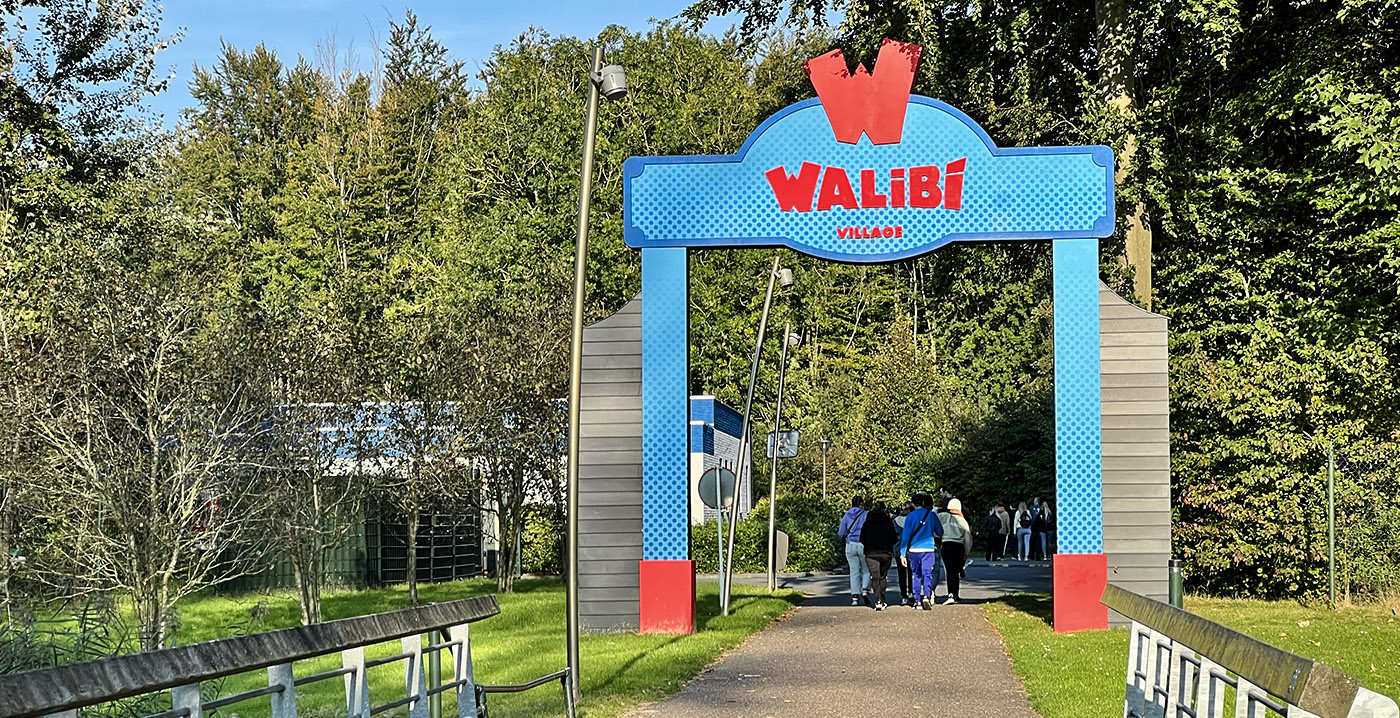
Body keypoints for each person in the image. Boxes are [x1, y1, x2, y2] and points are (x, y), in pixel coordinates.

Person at [898, 492, 944, 610]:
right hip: (928, 549)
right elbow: (940, 531)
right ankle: (926, 596)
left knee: (916, 575)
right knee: (927, 573)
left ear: (913, 504)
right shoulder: (931, 515)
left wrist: (903, 554)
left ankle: (917, 600)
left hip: (914, 550)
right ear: (923, 502)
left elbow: (905, 537)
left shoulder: (910, 517)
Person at [860, 501, 898, 611]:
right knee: (882, 577)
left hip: (871, 553)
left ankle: (878, 600)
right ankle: (882, 599)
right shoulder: (888, 522)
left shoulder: (867, 522)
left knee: (874, 577)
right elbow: (894, 538)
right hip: (886, 553)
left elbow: (862, 538)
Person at [939, 499, 974, 604]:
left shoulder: (943, 517)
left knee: (949, 570)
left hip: (946, 545)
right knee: (955, 571)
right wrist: (967, 552)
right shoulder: (962, 521)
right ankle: (956, 594)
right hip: (958, 546)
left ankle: (950, 594)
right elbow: (968, 538)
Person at [837, 496, 871, 605]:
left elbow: (841, 532)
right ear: (862, 503)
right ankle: (865, 590)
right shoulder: (866, 514)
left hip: (850, 544)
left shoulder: (847, 515)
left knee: (854, 571)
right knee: (866, 569)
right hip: (863, 544)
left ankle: (855, 597)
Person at [894, 502, 914, 605]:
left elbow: (893, 536)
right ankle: (911, 592)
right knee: (912, 572)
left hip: (898, 549)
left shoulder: (895, 521)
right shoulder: (912, 520)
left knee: (901, 574)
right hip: (911, 549)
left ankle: (903, 596)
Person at [1030, 496, 1046, 561]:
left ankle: (1032, 555)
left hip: (1033, 526)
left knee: (1033, 541)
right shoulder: (1041, 508)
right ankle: (1039, 555)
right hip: (1040, 527)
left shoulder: (1031, 508)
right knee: (1039, 542)